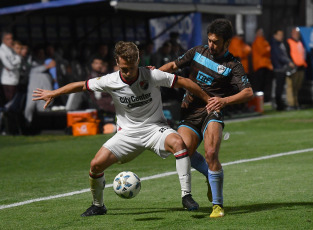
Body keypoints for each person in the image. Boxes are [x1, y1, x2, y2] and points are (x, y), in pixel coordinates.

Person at [32, 41, 212, 216]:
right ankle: (98, 205)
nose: (126, 72)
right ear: (117, 63)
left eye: (131, 68)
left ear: (138, 62)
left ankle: (186, 196)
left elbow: (185, 82)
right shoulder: (110, 80)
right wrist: (54, 93)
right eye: (123, 68)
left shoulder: (152, 75)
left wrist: (208, 100)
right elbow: (81, 85)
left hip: (155, 129)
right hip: (127, 135)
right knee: (95, 165)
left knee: (178, 143)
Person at [159, 18, 253, 218]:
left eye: (216, 42)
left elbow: (248, 92)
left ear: (227, 42)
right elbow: (173, 66)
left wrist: (224, 101)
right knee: (184, 151)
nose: (211, 45)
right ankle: (210, 177)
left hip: (213, 111)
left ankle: (217, 206)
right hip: (189, 111)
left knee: (211, 153)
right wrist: (149, 77)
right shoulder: (197, 52)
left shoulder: (232, 64)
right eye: (209, 40)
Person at [270, 29, 295, 111]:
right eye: (279, 35)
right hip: (278, 68)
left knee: (281, 87)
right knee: (279, 88)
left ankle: (281, 104)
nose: (281, 37)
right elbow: (279, 56)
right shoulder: (274, 45)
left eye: (282, 35)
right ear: (275, 35)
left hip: (282, 68)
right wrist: (288, 62)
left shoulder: (280, 44)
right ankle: (279, 105)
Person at [286, 27, 307, 110]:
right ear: (292, 33)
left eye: (298, 33)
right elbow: (287, 54)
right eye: (295, 33)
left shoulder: (300, 43)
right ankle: (292, 104)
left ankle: (296, 102)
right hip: (293, 67)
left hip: (301, 67)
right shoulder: (289, 42)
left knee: (298, 87)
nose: (297, 35)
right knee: (291, 87)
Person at [251, 28, 274, 102]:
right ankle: (260, 100)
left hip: (265, 65)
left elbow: (268, 50)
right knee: (260, 85)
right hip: (260, 66)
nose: (261, 33)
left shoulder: (263, 41)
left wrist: (268, 49)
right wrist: (268, 49)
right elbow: (263, 51)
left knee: (265, 84)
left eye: (262, 32)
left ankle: (265, 99)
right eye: (259, 32)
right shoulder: (258, 41)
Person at [0, 31, 22, 104]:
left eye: (11, 39)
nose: (11, 41)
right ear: (3, 40)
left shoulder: (11, 49)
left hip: (15, 79)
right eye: (8, 39)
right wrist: (16, 61)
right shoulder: (1, 51)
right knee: (9, 102)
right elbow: (9, 66)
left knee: (15, 102)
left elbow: (18, 64)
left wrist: (15, 62)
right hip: (7, 81)